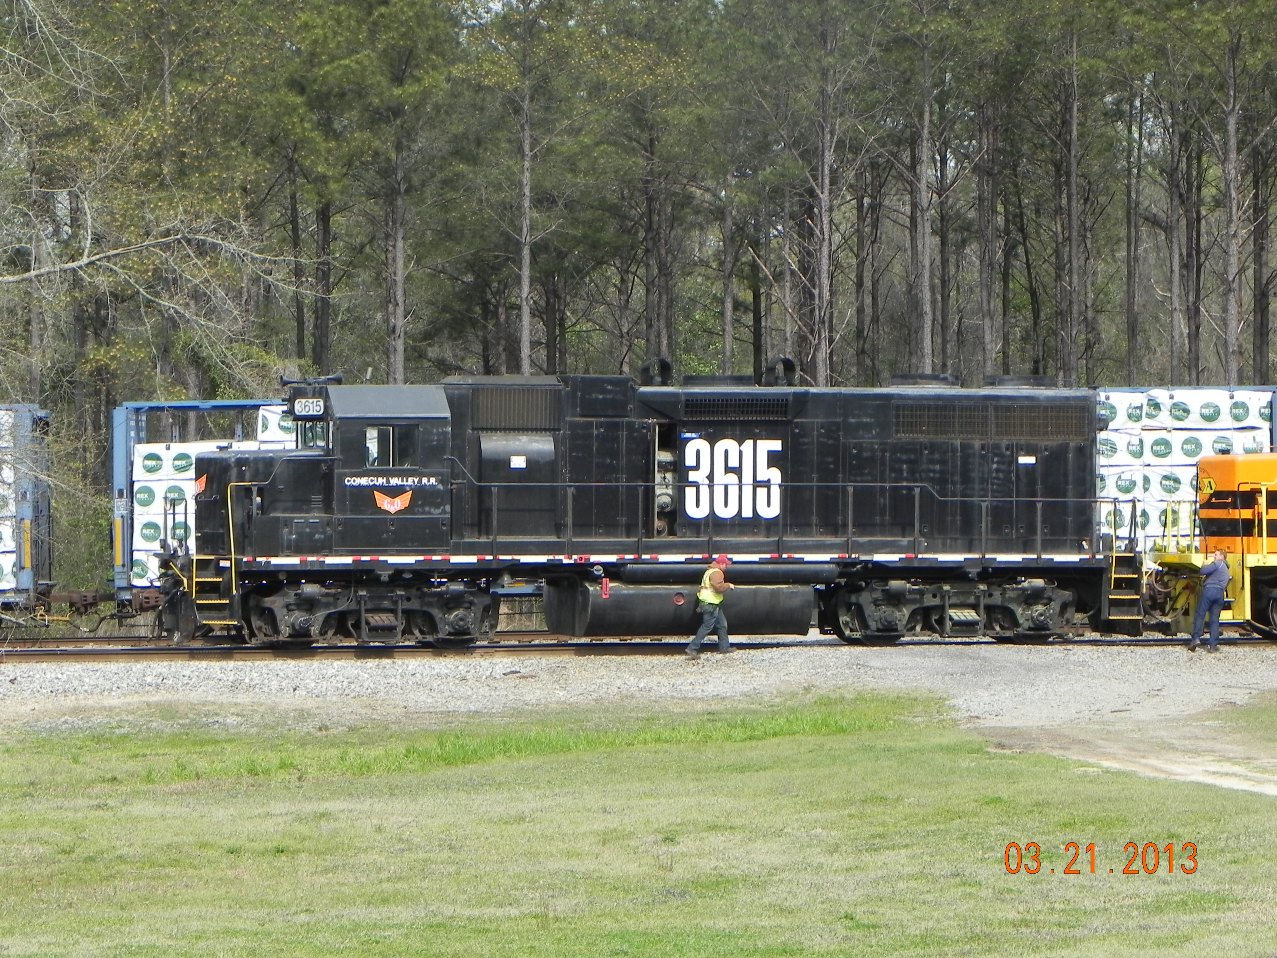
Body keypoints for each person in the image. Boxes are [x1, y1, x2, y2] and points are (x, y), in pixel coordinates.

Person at [685, 554, 735, 659]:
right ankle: (692, 648)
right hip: (710, 603)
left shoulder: (710, 571)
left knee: (722, 624)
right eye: (726, 564)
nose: (727, 567)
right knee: (707, 627)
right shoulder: (717, 573)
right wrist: (728, 585)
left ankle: (724, 647)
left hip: (713, 603)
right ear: (721, 564)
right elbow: (718, 588)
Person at [1188, 549, 1230, 653]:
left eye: (1216, 555)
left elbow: (1203, 571)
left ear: (1222, 557)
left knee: (1200, 614)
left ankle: (1196, 639)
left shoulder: (1217, 564)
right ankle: (1213, 646)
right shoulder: (1226, 569)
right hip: (1220, 594)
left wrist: (1204, 564)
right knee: (1215, 619)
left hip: (1210, 591)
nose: (1214, 557)